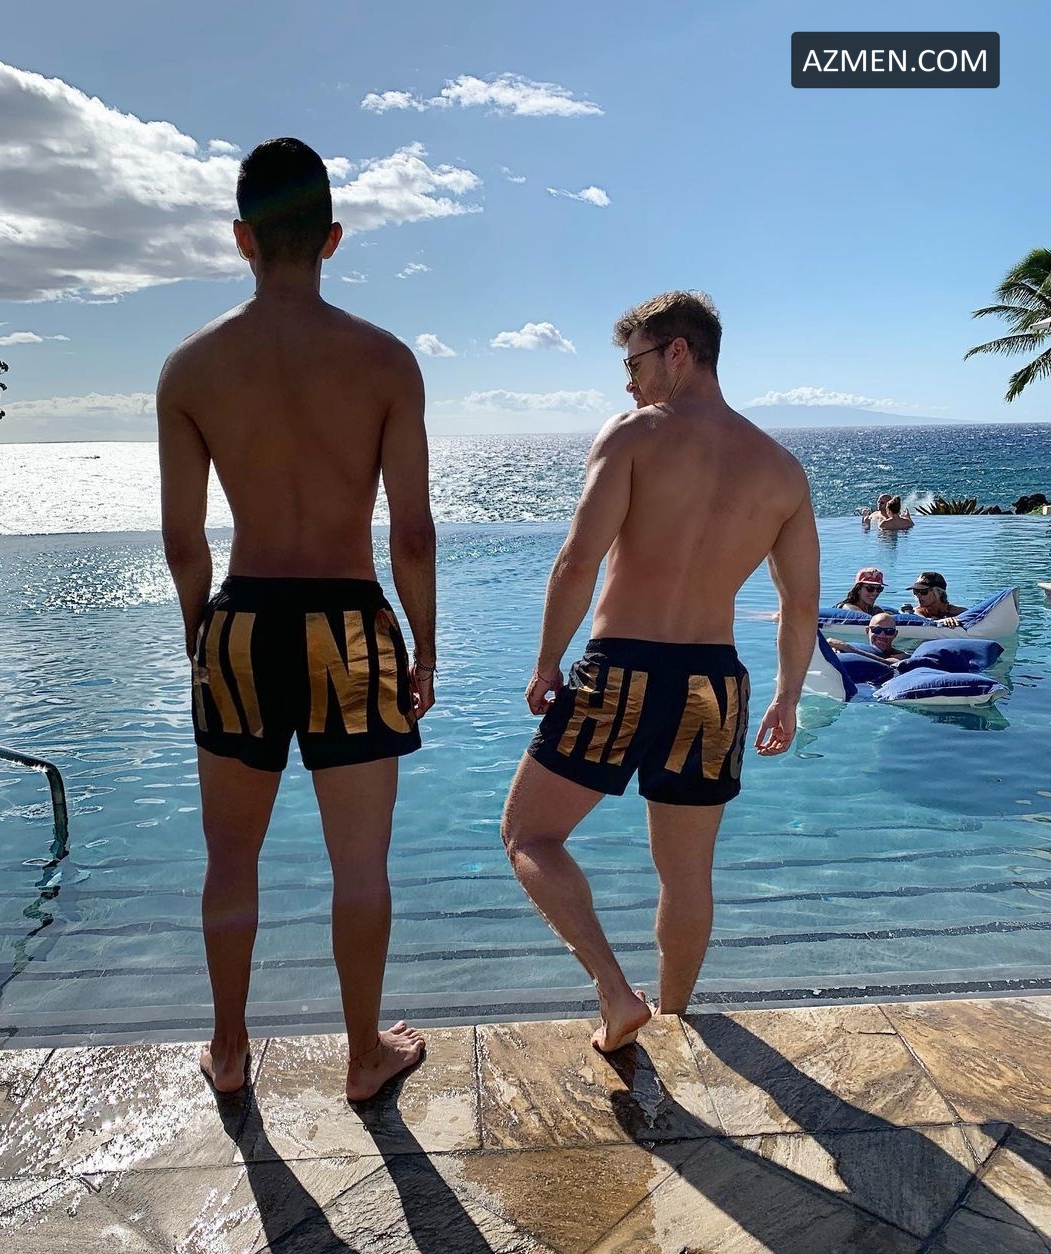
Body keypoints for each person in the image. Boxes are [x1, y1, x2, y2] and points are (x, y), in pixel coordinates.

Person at [158, 138, 436, 1101]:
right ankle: (363, 1055)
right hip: (351, 628)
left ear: (241, 238)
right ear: (332, 238)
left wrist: (200, 635)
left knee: (230, 861)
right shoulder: (386, 362)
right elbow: (413, 534)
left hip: (240, 623)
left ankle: (230, 1049)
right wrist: (425, 647)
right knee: (359, 867)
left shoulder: (191, 368)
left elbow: (183, 541)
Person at [501, 290, 819, 1054]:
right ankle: (674, 1021)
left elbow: (578, 561)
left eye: (635, 362)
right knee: (687, 873)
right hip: (713, 684)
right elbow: (801, 603)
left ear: (678, 352)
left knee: (528, 836)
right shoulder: (781, 470)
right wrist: (787, 697)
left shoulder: (634, 435)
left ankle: (617, 995)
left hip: (623, 670)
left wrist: (546, 661)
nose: (629, 381)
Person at [828, 612, 908, 663]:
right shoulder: (858, 647)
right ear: (867, 631)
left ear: (895, 634)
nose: (882, 635)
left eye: (889, 631)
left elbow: (887, 663)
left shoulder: (902, 656)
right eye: (876, 630)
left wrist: (848, 648)